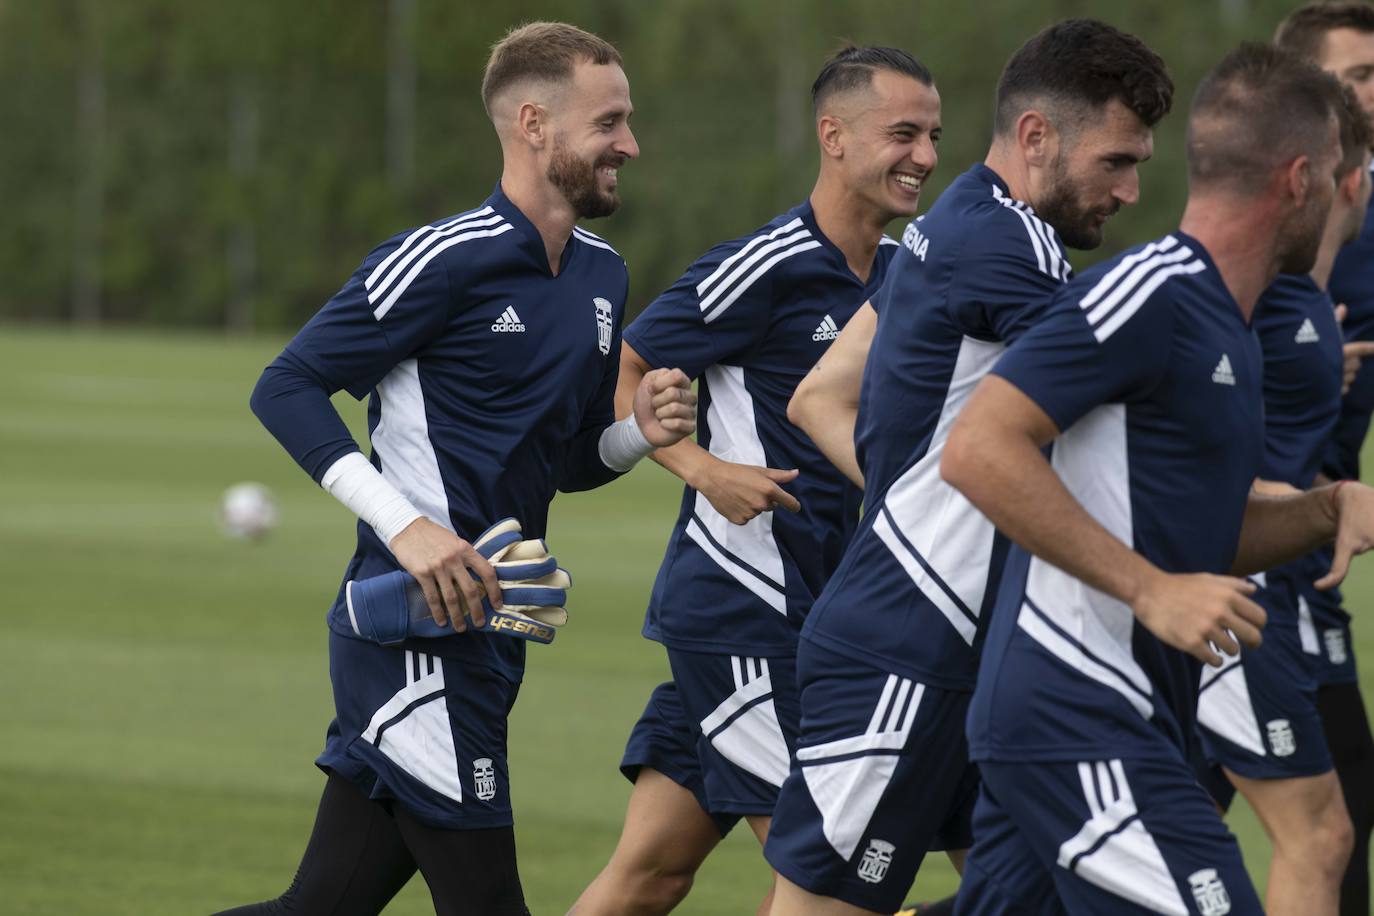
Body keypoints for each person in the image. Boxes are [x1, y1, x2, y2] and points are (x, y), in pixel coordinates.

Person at [214, 22, 696, 916]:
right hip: (412, 643)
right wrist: (408, 530)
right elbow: (285, 387)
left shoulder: (603, 277)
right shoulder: (442, 259)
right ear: (534, 124)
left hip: (492, 632)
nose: (629, 143)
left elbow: (568, 461)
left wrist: (640, 433)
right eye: (610, 121)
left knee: (320, 906)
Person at [765, 20, 1172, 916]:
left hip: (965, 657)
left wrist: (927, 499)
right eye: (1115, 161)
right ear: (1037, 137)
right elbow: (1127, 418)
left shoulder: (954, 222)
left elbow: (819, 397)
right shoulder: (1008, 246)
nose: (1132, 190)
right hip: (906, 657)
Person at [942, 43, 1355, 914]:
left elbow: (1203, 531)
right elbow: (978, 446)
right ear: (1299, 179)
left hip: (1110, 717)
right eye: (1339, 171)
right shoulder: (1151, 291)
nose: (1349, 193)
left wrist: (1324, 509)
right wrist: (1152, 589)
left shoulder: (1232, 329)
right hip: (1075, 711)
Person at [568, 46, 942, 916]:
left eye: (932, 135)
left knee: (651, 873)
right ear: (834, 138)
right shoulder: (767, 264)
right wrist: (704, 470)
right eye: (902, 133)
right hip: (741, 610)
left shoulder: (898, 280)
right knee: (825, 880)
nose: (924, 155)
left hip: (819, 617)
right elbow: (624, 372)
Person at [1194, 84, 1371, 916]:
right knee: (1321, 835)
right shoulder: (1224, 285)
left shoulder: (1303, 299)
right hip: (1229, 600)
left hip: (1271, 595)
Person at [1275, 7, 1374, 913]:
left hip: (1314, 551)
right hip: (1245, 553)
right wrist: (1298, 358)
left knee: (1343, 811)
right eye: (1361, 74)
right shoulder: (1275, 218)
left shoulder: (1362, 205)